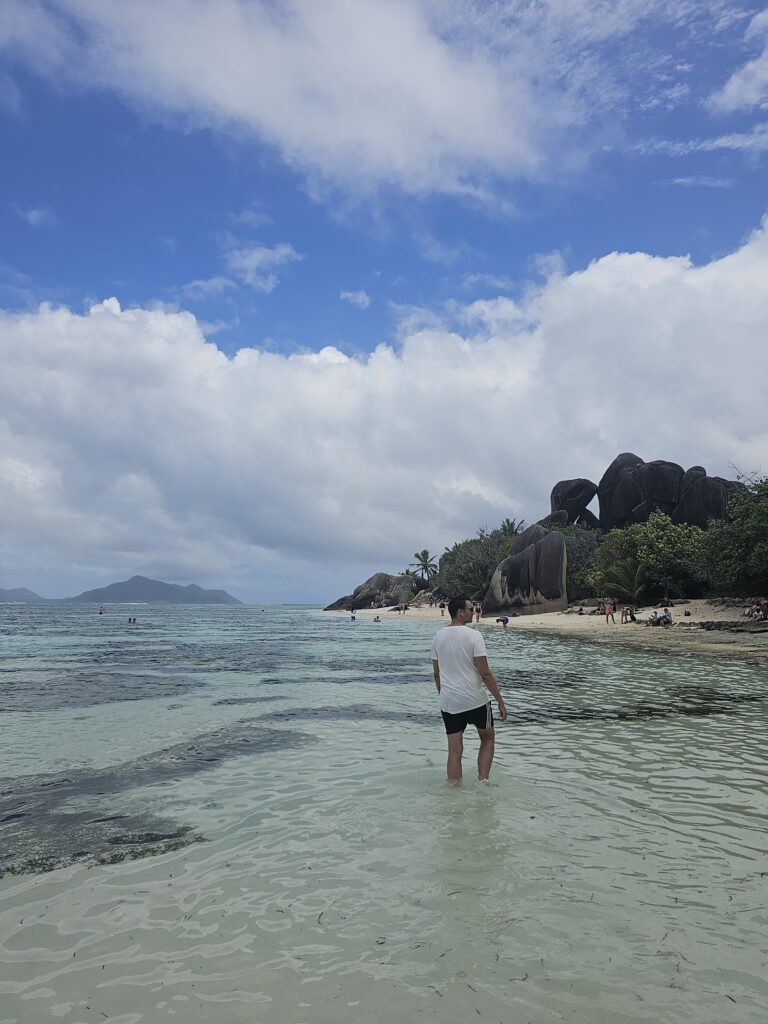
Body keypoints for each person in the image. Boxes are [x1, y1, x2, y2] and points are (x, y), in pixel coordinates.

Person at [431, 595, 507, 782]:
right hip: (475, 700)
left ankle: (454, 796)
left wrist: (444, 696)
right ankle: (483, 783)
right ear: (460, 612)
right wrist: (500, 701)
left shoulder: (437, 636)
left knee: (454, 751)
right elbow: (485, 673)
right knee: (488, 738)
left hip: (449, 702)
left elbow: (437, 674)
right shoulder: (474, 635)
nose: (474, 613)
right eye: (471, 609)